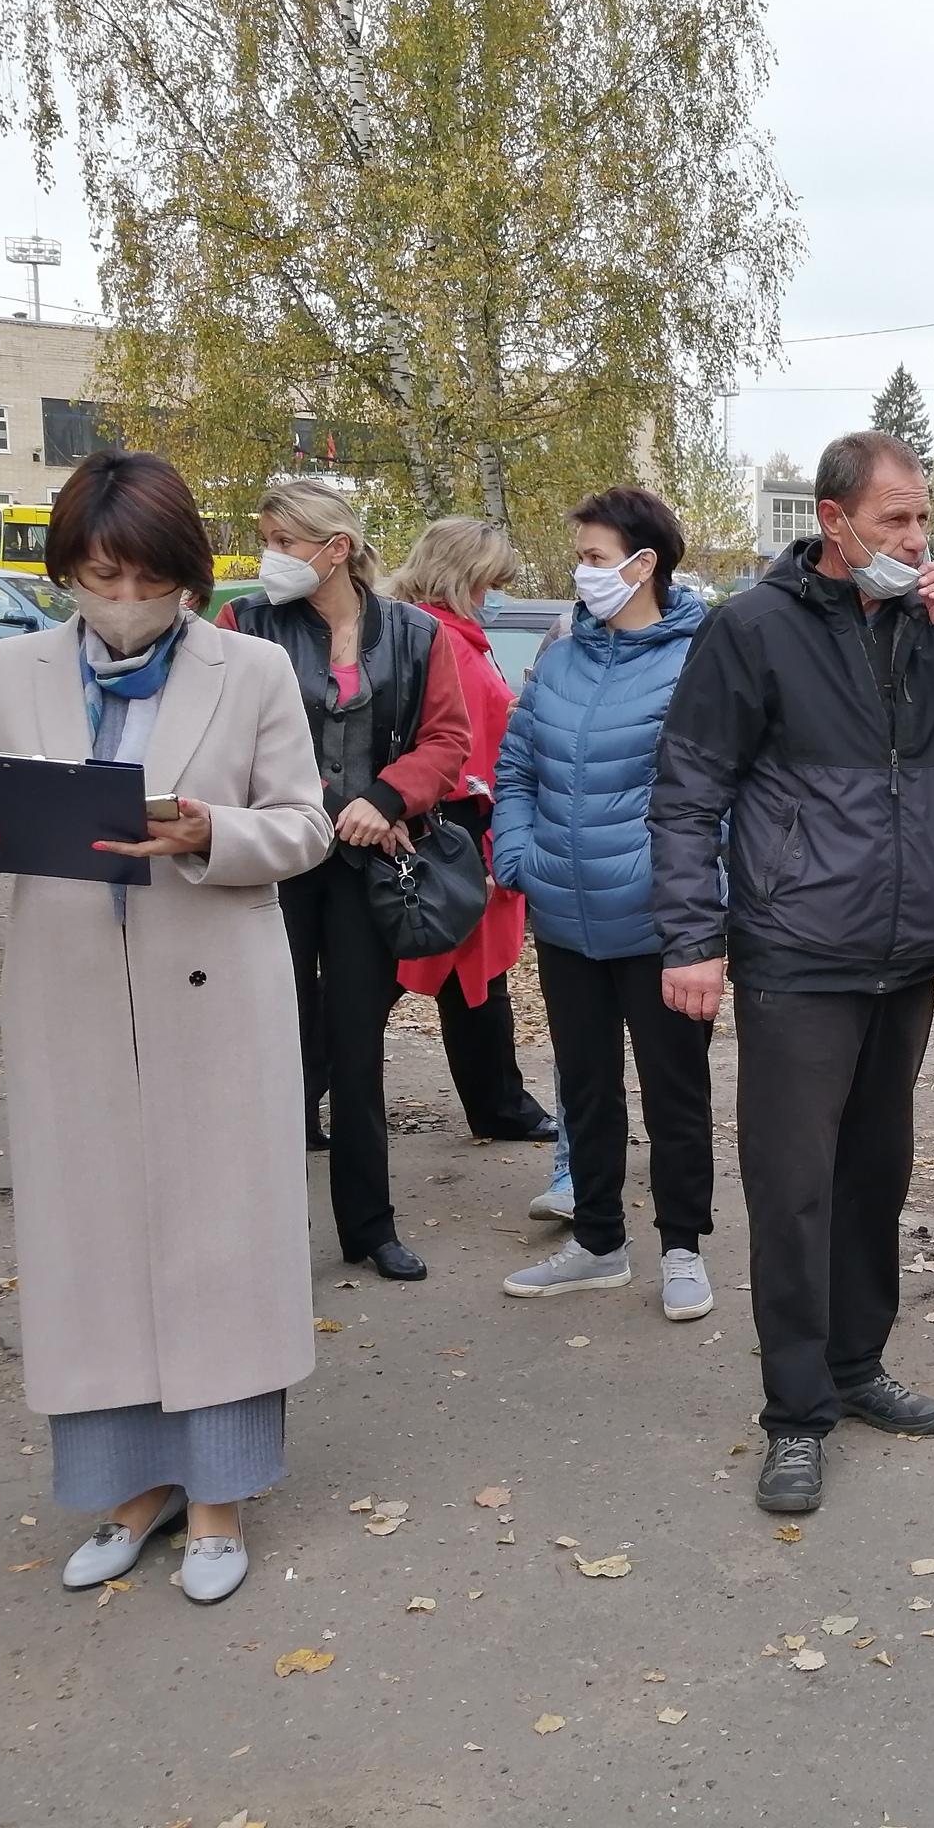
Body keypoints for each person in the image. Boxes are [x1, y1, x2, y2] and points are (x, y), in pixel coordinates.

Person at [0, 450, 332, 1606]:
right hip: (71, 991)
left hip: (214, 992)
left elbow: (303, 829)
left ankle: (216, 1499)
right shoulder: (11, 665)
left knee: (217, 1238)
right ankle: (128, 1492)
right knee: (90, 1238)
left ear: (187, 575)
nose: (123, 598)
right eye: (98, 575)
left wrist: (210, 833)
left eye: (148, 578)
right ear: (66, 572)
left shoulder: (249, 669)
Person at [649, 430, 934, 1517]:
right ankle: (794, 1413)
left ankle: (859, 1367)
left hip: (902, 955)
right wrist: (692, 938)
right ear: (834, 522)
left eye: (923, 520)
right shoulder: (752, 630)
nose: (915, 540)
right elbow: (687, 793)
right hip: (794, 957)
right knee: (795, 1190)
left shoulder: (930, 623)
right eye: (895, 521)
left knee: (876, 1178)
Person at [223, 478, 470, 1283]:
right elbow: (225, 737)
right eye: (266, 538)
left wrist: (391, 798)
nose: (270, 557)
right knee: (272, 1050)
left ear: (335, 549)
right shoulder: (241, 626)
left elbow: (445, 738)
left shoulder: (414, 633)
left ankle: (370, 1228)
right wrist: (348, 802)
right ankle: (261, 1232)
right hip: (272, 863)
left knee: (358, 1052)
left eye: (285, 542)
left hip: (365, 871)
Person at [493, 488, 715, 1320]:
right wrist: (516, 854)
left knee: (674, 1092)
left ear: (643, 563)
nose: (581, 573)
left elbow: (717, 793)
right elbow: (518, 768)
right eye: (582, 558)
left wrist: (700, 899)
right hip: (564, 914)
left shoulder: (700, 657)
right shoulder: (561, 654)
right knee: (585, 1090)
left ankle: (683, 1247)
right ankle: (598, 1243)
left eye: (593, 558)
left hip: (659, 920)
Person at [385, 518, 556, 1144]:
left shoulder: (427, 633)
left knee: (446, 972)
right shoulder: (450, 642)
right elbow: (463, 747)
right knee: (464, 972)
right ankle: (500, 1104)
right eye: (487, 583)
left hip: (436, 817)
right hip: (455, 821)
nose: (493, 596)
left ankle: (499, 1102)